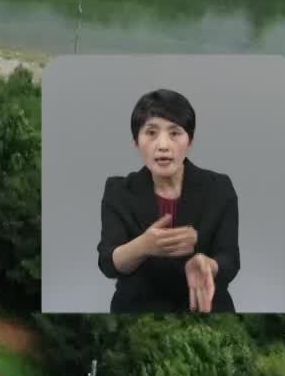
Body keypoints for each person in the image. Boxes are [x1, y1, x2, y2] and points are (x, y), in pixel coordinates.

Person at [96, 89, 240, 312]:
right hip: (137, 311)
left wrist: (206, 264)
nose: (163, 145)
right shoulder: (118, 191)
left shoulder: (219, 188)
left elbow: (230, 259)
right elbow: (108, 262)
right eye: (151, 133)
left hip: (205, 309)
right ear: (136, 142)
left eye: (175, 133)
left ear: (190, 140)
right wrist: (144, 246)